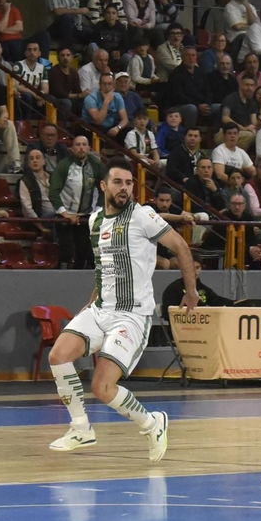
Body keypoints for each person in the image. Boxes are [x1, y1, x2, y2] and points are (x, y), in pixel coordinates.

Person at [47, 161, 196, 460]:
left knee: (102, 388)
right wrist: (91, 301)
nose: (124, 188)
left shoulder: (143, 216)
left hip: (132, 315)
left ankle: (152, 423)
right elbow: (104, 268)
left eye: (129, 182)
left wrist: (191, 291)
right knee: (58, 355)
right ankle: (81, 428)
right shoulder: (94, 222)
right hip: (101, 308)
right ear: (103, 186)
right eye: (117, 182)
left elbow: (180, 246)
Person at [52, 134, 103, 269]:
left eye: (84, 145)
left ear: (89, 148)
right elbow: (53, 191)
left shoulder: (96, 165)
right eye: (77, 145)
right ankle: (62, 278)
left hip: (85, 217)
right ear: (72, 149)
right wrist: (64, 213)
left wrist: (98, 210)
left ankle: (78, 282)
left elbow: (105, 189)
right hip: (65, 216)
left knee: (84, 252)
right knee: (67, 251)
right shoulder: (64, 166)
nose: (81, 148)